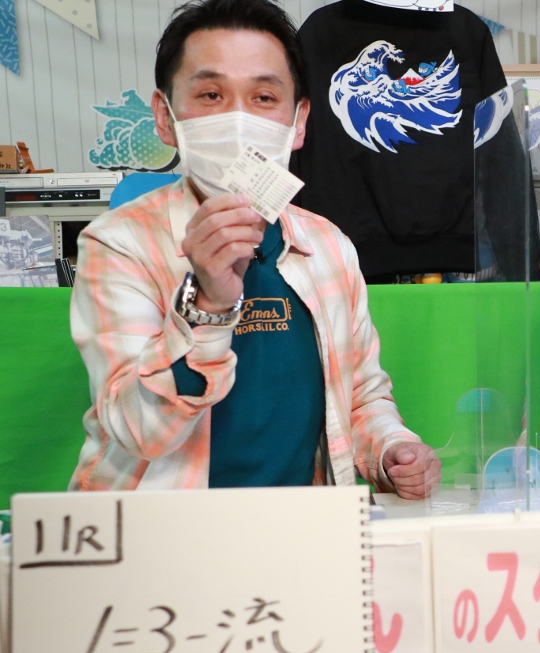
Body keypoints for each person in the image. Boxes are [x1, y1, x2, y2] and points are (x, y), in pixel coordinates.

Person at [68, 0, 440, 498]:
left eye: (264, 97)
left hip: (297, 525)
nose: (238, 119)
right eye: (211, 94)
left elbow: (359, 396)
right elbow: (138, 431)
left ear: (299, 121)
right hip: (157, 530)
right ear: (165, 116)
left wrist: (392, 449)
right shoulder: (119, 243)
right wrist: (207, 304)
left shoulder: (328, 246)